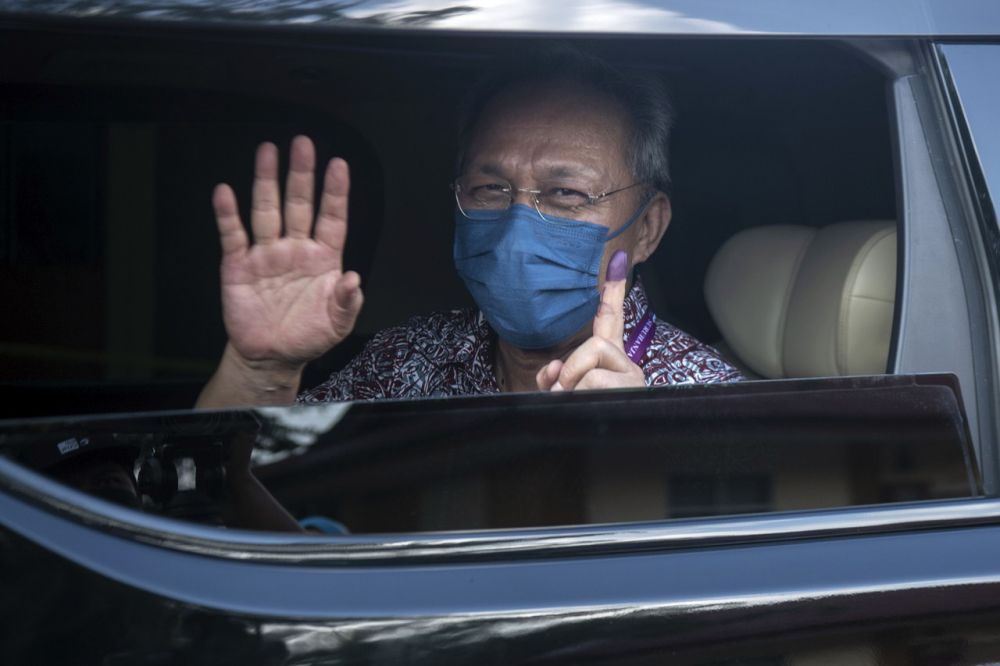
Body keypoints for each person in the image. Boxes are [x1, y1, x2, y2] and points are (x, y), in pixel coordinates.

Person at [197, 47, 740, 409]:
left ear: (647, 229)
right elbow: (246, 495)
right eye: (489, 190)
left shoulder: (708, 404)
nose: (514, 232)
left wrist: (639, 453)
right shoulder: (410, 358)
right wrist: (261, 371)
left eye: (567, 194)